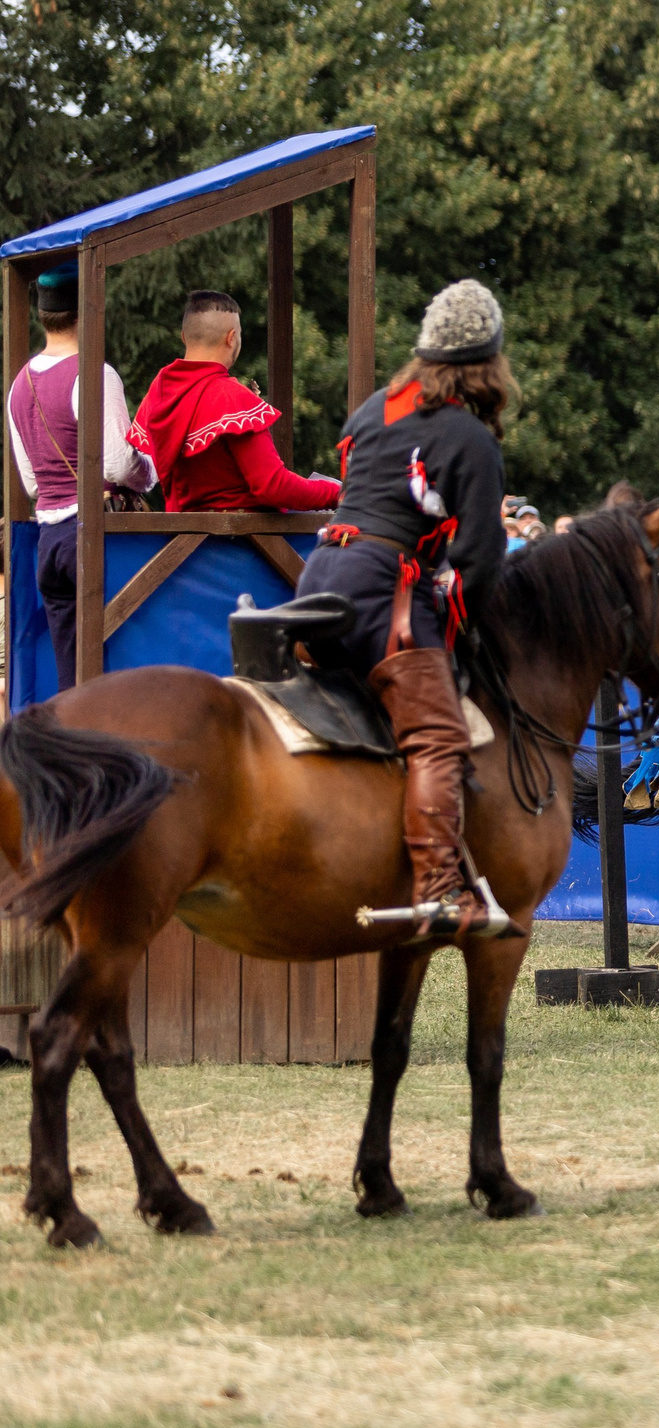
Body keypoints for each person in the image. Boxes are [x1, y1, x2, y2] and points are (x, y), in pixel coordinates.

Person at [297, 279, 515, 941]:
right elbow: (478, 558)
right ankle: (441, 890)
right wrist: (463, 625)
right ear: (488, 363)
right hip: (379, 591)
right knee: (438, 736)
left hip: (318, 576)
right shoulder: (470, 439)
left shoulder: (370, 411)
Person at [7, 262, 158, 682]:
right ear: (88, 309)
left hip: (50, 545)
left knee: (72, 682)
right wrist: (153, 471)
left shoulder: (19, 384)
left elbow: (33, 482)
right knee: (121, 669)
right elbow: (119, 464)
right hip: (93, 539)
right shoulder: (95, 373)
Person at [130, 291, 340, 514]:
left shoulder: (159, 391)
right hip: (245, 542)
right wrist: (337, 493)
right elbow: (273, 487)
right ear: (231, 338)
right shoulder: (231, 397)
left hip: (184, 538)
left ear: (184, 337)